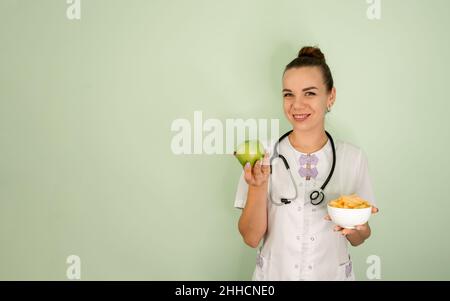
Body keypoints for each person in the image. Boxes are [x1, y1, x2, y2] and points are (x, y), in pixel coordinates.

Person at [234, 46, 379, 281]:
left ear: (330, 96)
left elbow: (359, 238)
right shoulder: (263, 155)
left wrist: (359, 228)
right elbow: (251, 238)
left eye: (309, 93)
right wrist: (257, 187)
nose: (297, 104)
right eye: (288, 94)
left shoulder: (352, 158)